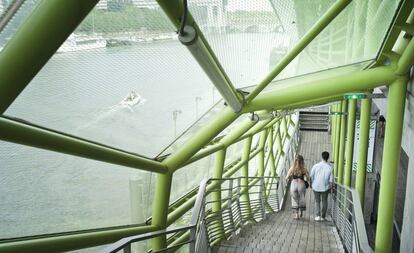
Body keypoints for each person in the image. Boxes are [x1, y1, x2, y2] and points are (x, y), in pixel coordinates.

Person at [310, 151, 333, 221]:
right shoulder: (330, 168)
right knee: (324, 201)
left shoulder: (315, 166)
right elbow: (331, 181)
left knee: (317, 201)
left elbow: (311, 176)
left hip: (315, 186)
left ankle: (318, 216)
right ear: (328, 158)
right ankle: (323, 216)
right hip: (325, 187)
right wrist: (331, 188)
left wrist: (311, 184)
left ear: (321, 157)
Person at [286, 155, 310, 220]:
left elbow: (286, 177)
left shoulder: (292, 168)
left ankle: (296, 215)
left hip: (293, 184)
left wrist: (290, 176)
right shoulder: (304, 169)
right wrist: (308, 181)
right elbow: (308, 178)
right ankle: (301, 213)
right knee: (301, 198)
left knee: (294, 199)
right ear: (302, 161)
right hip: (301, 184)